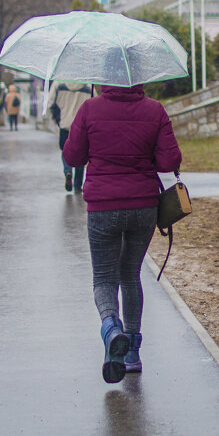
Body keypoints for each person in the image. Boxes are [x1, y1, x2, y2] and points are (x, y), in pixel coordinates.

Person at [62, 81, 182, 384]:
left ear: (103, 77)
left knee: (104, 278)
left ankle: (111, 329)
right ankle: (132, 353)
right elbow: (170, 161)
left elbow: (73, 157)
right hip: (143, 206)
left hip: (102, 206)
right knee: (130, 275)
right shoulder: (155, 110)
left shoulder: (89, 108)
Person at [50, 81, 92, 192]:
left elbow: (52, 104)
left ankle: (68, 171)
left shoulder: (58, 83)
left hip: (65, 124)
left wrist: (58, 121)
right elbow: (94, 104)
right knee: (81, 152)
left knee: (65, 150)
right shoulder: (88, 84)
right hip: (82, 126)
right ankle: (78, 185)